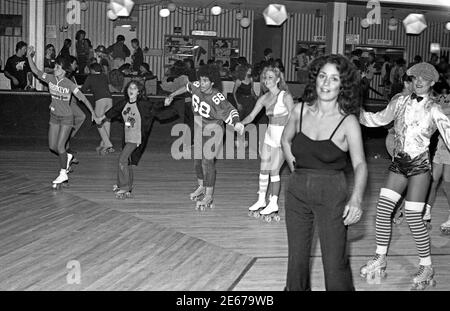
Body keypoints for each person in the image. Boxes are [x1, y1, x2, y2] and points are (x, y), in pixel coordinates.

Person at [359, 62, 448, 290]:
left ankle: (426, 265)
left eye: (424, 79)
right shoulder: (399, 101)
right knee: (383, 209)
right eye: (416, 77)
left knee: (413, 217)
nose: (419, 81)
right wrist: (355, 113)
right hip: (399, 164)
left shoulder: (435, 109)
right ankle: (380, 257)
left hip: (419, 167)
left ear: (432, 83)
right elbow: (378, 119)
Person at [281, 54, 367, 291]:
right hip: (297, 194)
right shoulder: (299, 111)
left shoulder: (348, 121)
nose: (326, 84)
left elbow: (360, 164)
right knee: (296, 260)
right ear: (315, 79)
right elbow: (285, 140)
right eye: (322, 76)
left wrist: (357, 199)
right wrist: (294, 168)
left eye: (334, 78)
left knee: (334, 263)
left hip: (332, 195)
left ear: (343, 85)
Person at [164, 64, 244, 210]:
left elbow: (231, 110)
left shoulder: (217, 97)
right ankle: (201, 186)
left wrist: (237, 123)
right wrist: (172, 95)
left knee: (207, 161)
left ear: (212, 82)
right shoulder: (196, 85)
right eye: (201, 80)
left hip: (215, 131)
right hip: (200, 127)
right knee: (197, 161)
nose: (202, 83)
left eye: (206, 81)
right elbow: (187, 87)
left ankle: (209, 195)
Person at [26, 46, 97, 188]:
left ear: (64, 70)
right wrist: (29, 56)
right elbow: (35, 71)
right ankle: (68, 157)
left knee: (60, 146)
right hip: (54, 117)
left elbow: (83, 98)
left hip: (66, 118)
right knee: (53, 146)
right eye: (55, 66)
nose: (55, 68)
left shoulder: (69, 84)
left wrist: (93, 113)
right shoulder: (50, 78)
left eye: (58, 67)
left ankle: (63, 173)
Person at [241, 66, 294, 222]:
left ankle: (273, 203)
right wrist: (238, 123)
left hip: (283, 138)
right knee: (263, 169)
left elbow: (293, 118)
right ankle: (261, 199)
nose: (267, 80)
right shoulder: (263, 98)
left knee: (274, 171)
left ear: (278, 79)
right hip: (269, 136)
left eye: (270, 77)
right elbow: (251, 116)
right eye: (265, 78)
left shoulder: (285, 96)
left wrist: (288, 138)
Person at [96, 80, 155, 199]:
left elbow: (156, 108)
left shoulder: (143, 104)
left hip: (136, 138)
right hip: (127, 137)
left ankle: (124, 187)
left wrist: (167, 101)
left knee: (122, 159)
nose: (131, 90)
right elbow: (112, 112)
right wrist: (100, 118)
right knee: (126, 161)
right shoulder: (124, 103)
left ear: (139, 91)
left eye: (134, 88)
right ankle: (124, 185)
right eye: (129, 88)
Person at [81, 63, 114, 154]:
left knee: (98, 122)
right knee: (106, 122)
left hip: (100, 100)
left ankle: (108, 144)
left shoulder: (91, 77)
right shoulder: (104, 76)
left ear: (92, 70)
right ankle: (104, 144)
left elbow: (83, 89)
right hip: (109, 99)